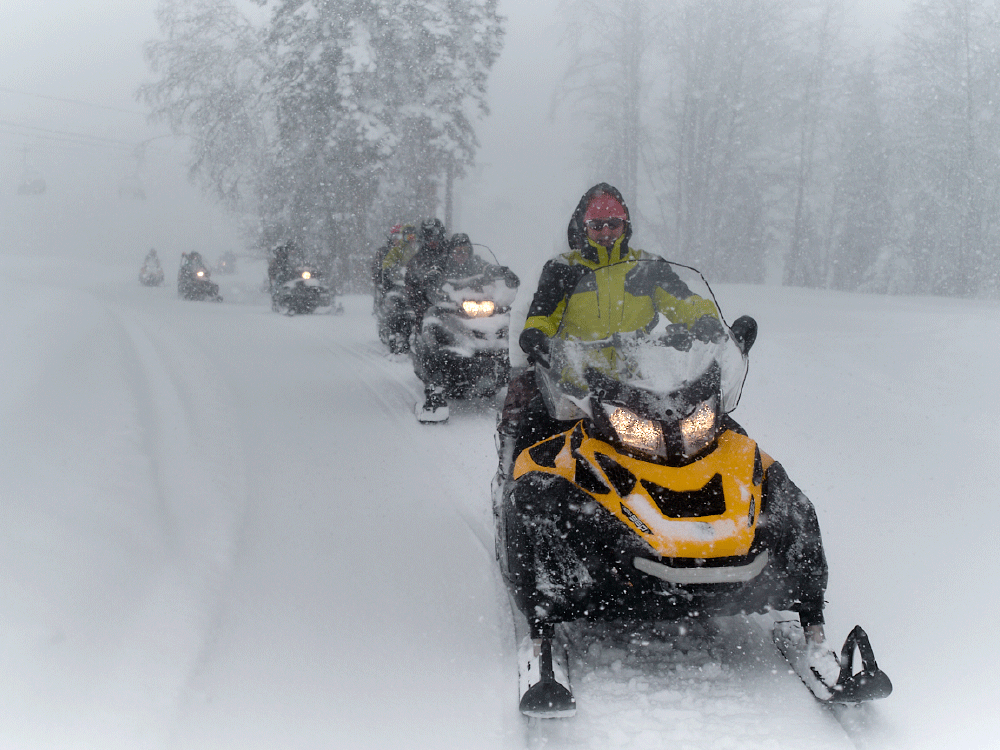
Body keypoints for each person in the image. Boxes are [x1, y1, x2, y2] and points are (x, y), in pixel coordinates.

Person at [496, 182, 838, 682]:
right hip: (579, 388)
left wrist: (710, 332)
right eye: (597, 224)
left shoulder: (648, 269)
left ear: (626, 225)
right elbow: (543, 317)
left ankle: (796, 596)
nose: (606, 231)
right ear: (582, 227)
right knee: (534, 442)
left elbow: (691, 309)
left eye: (614, 223)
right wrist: (540, 339)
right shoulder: (563, 270)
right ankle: (521, 532)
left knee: (736, 449)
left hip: (646, 384)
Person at [413, 233, 520, 419]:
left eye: (464, 250)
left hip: (478, 308)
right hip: (452, 308)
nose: (461, 254)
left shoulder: (477, 263)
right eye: (457, 251)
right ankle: (434, 388)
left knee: (510, 329)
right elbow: (434, 274)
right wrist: (431, 280)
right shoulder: (442, 264)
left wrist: (504, 272)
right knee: (434, 329)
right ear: (451, 252)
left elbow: (489, 269)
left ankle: (515, 383)